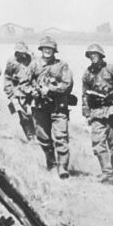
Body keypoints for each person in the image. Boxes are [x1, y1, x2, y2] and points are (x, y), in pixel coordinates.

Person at [20, 36, 74, 179]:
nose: (47, 51)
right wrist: (34, 91)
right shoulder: (34, 65)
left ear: (54, 51)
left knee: (61, 137)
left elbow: (67, 85)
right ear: (41, 49)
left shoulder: (62, 65)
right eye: (45, 48)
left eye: (50, 49)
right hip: (40, 107)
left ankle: (62, 168)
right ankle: (51, 163)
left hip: (58, 107)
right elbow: (23, 83)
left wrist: (50, 89)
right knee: (43, 137)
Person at [81, 43, 113, 183]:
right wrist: (86, 113)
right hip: (97, 111)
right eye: (90, 55)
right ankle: (107, 172)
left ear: (101, 55)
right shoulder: (87, 73)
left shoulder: (112, 69)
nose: (92, 57)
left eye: (95, 54)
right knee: (97, 142)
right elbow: (84, 94)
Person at [3, 41, 36, 141]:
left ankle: (39, 138)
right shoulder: (11, 62)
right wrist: (10, 93)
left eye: (23, 52)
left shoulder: (33, 60)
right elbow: (7, 78)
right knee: (23, 118)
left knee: (35, 116)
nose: (21, 54)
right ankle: (30, 138)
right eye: (19, 52)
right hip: (18, 94)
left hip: (32, 93)